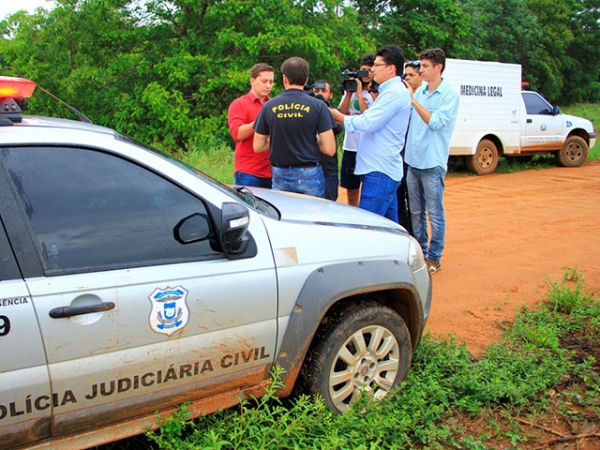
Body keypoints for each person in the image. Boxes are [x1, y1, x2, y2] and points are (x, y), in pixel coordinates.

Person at [331, 45, 411, 221]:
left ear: (391, 68)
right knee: (389, 229)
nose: (372, 70)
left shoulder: (394, 93)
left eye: (377, 65)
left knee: (367, 226)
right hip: (380, 170)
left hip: (380, 172)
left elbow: (368, 123)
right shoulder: (389, 92)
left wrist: (339, 117)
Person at [404, 48, 460, 275]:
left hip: (432, 162)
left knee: (434, 212)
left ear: (439, 67)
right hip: (413, 160)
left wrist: (412, 100)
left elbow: (435, 122)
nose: (422, 71)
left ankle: (434, 256)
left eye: (426, 67)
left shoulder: (449, 95)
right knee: (416, 211)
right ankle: (420, 253)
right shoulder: (420, 92)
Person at [253, 57, 335, 198]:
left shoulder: (269, 106)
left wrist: (280, 141)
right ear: (306, 80)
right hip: (308, 174)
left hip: (279, 173)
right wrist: (310, 138)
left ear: (285, 78)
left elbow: (258, 146)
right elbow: (330, 149)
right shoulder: (318, 106)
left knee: (283, 216)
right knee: (311, 218)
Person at [227, 63, 274, 188]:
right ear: (252, 80)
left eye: (271, 82)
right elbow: (237, 133)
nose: (268, 85)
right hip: (249, 171)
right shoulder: (239, 104)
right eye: (264, 81)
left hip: (274, 171)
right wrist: (259, 122)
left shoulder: (275, 105)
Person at [337, 53, 376, 207]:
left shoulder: (376, 94)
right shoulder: (351, 91)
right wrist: (349, 93)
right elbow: (340, 114)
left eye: (369, 71)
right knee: (352, 191)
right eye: (363, 70)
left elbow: (369, 117)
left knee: (368, 191)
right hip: (351, 147)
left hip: (369, 148)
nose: (365, 75)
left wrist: (360, 95)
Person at [396, 60, 423, 235]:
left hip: (414, 156)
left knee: (415, 203)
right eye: (405, 75)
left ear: (422, 77)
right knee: (399, 198)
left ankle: (416, 237)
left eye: (412, 75)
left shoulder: (422, 98)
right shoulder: (402, 96)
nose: (407, 78)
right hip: (400, 154)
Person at [312, 79, 344, 201]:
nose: (319, 94)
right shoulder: (305, 111)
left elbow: (338, 128)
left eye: (323, 91)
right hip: (309, 167)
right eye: (316, 91)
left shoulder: (335, 112)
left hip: (328, 168)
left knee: (329, 204)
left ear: (330, 95)